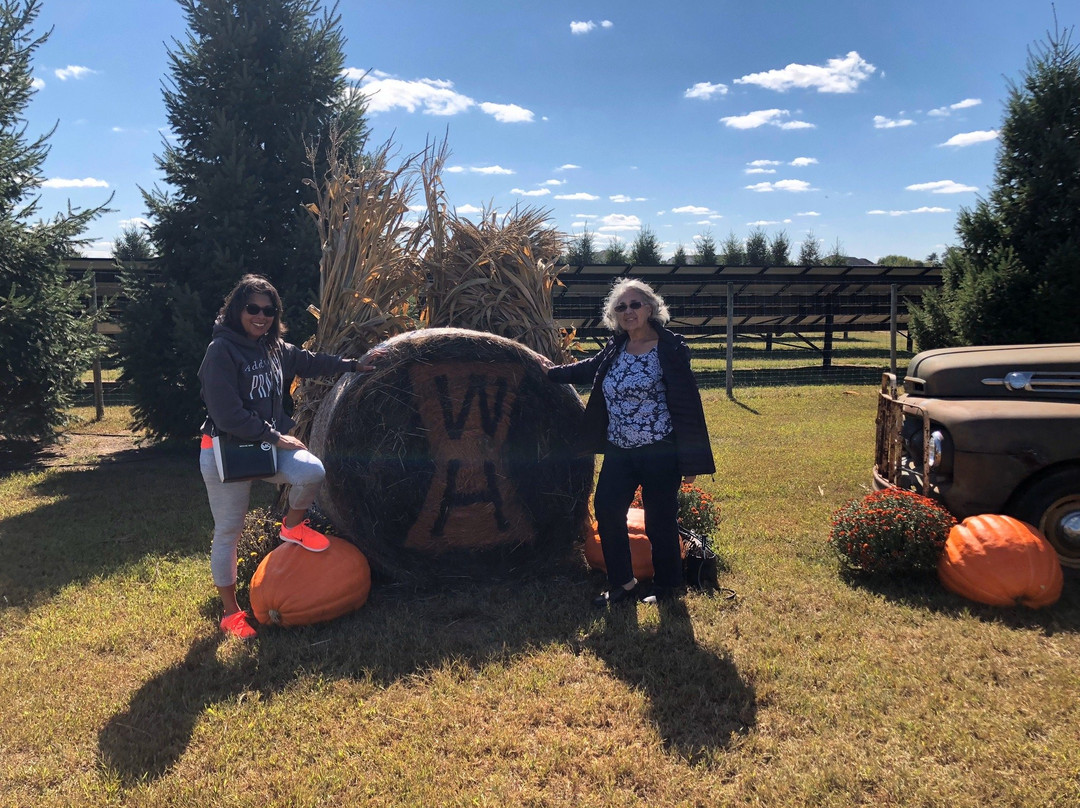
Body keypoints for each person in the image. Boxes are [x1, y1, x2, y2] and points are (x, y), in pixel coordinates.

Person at [198, 274, 374, 639]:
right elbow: (226, 413)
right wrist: (276, 437)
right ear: (237, 309)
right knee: (229, 531)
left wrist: (354, 365)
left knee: (311, 471)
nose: (260, 316)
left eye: (269, 310)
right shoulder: (221, 350)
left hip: (265, 446)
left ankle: (292, 527)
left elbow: (310, 362)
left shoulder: (274, 348)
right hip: (225, 450)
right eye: (253, 309)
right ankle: (230, 613)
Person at [544, 278, 715, 607]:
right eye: (620, 306)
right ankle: (623, 583)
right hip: (620, 450)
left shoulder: (669, 349)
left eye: (635, 304)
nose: (628, 311)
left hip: (660, 450)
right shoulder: (616, 347)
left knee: (659, 521)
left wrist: (691, 460)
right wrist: (552, 372)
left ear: (650, 308)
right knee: (607, 510)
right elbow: (589, 369)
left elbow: (688, 406)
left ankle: (668, 587)